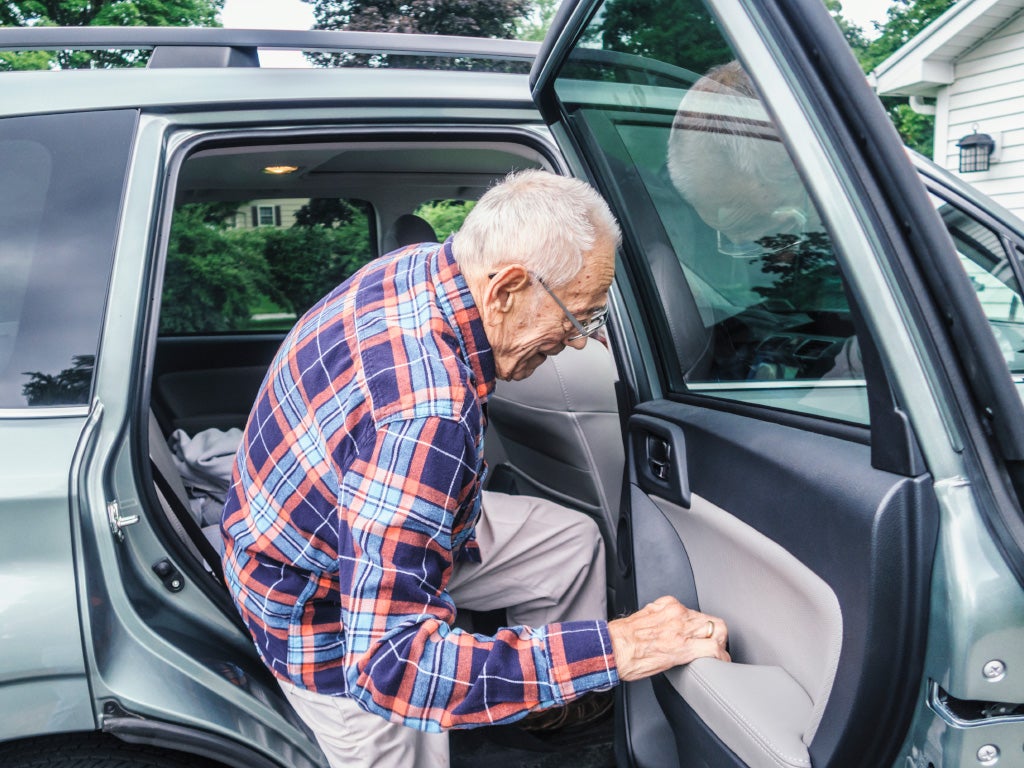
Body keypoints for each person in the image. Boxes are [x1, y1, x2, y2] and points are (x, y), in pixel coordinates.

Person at [220, 170, 730, 768]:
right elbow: (390, 666)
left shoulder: (422, 266)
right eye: (580, 316)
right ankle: (533, 680)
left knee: (567, 544)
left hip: (340, 525)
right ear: (507, 289)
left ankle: (543, 708)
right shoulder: (425, 414)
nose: (582, 341)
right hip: (323, 616)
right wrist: (618, 647)